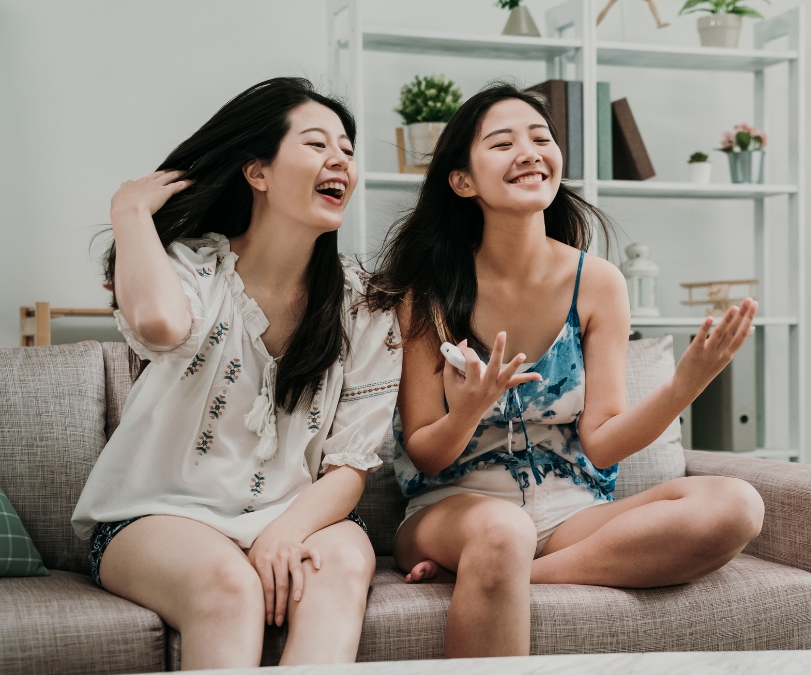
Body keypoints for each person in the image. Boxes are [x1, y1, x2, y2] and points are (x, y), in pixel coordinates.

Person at [367, 82, 764, 658]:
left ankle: (506, 576)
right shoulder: (425, 291)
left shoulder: (598, 282)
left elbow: (601, 446)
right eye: (502, 143)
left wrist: (686, 384)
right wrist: (470, 410)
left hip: (570, 511)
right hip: (451, 508)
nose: (530, 151)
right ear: (463, 181)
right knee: (502, 532)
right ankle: (492, 559)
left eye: (541, 138)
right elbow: (426, 453)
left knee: (736, 504)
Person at [71, 78, 401, 669]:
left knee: (346, 563)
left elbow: (351, 463)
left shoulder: (365, 304)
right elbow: (160, 325)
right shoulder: (194, 267)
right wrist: (128, 209)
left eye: (348, 150)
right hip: (157, 516)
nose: (340, 161)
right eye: (317, 143)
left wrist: (285, 532)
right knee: (230, 586)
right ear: (258, 173)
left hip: (298, 511)